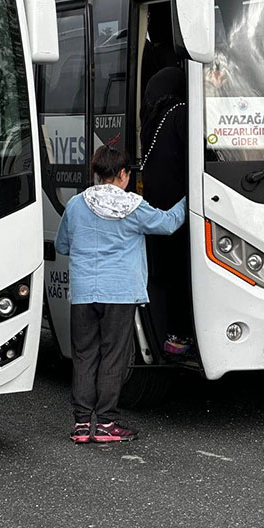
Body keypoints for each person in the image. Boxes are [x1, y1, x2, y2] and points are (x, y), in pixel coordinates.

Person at [55, 145, 186, 444]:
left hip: (85, 293)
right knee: (113, 357)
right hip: (120, 293)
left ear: (96, 174)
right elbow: (168, 224)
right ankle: (105, 423)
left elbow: (63, 246)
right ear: (124, 174)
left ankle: (80, 424)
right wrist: (190, 197)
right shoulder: (132, 206)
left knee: (85, 355)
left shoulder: (75, 205)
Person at [139, 67, 194, 355]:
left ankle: (166, 335)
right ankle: (183, 335)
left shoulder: (151, 118)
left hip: (156, 209)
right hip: (180, 212)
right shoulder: (182, 114)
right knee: (183, 274)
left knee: (163, 276)